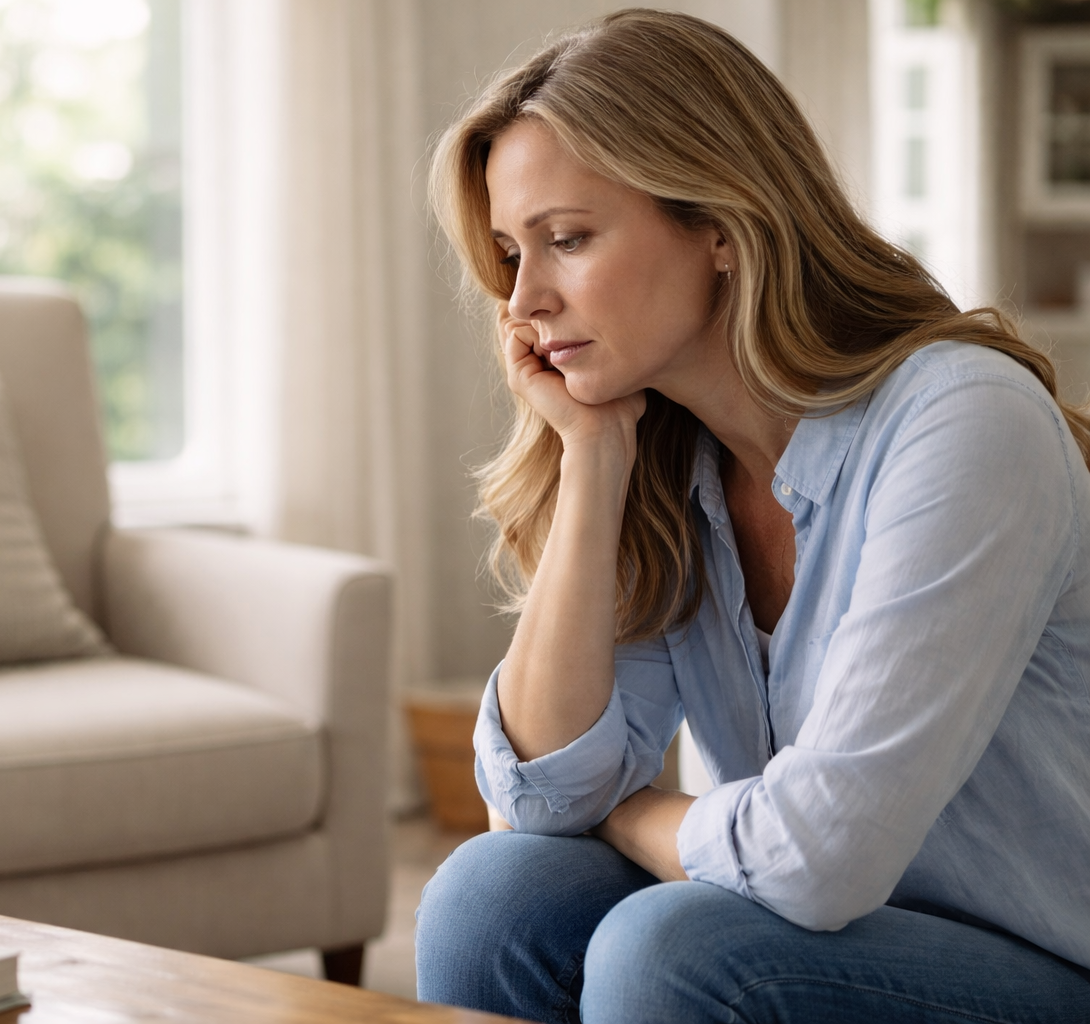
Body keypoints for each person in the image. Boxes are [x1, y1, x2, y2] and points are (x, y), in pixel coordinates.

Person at [413, 9, 1090, 1023]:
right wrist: (594, 461)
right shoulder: (669, 454)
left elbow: (816, 858)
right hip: (809, 924)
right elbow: (542, 798)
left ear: (721, 227)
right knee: (491, 894)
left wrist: (634, 810)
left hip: (1038, 962)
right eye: (512, 253)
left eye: (567, 240)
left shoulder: (963, 419)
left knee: (672, 950)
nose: (524, 302)